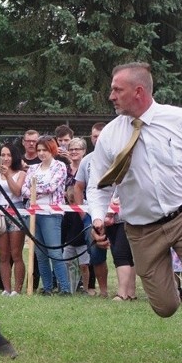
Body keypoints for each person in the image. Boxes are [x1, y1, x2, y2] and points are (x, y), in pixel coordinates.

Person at [87, 62, 182, 363]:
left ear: (138, 92)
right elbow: (97, 184)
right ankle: (169, 295)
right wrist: (98, 217)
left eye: (117, 90)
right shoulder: (111, 135)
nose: (111, 96)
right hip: (141, 231)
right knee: (165, 306)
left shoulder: (181, 120)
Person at [22, 135, 71, 295]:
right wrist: (32, 191)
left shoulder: (60, 166)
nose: (41, 153)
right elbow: (24, 189)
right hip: (34, 213)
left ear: (52, 150)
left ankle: (64, 288)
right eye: (39, 150)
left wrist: (34, 190)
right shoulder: (32, 168)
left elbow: (51, 187)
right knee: (40, 253)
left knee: (55, 252)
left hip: (52, 213)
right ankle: (48, 287)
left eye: (45, 150)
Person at [73, 123, 110, 297]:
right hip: (92, 213)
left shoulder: (116, 157)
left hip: (117, 213)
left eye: (101, 136)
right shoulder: (87, 160)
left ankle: (127, 290)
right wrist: (82, 213)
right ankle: (103, 291)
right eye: (95, 136)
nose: (98, 139)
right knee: (96, 253)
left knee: (122, 253)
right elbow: (78, 187)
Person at [0, 142, 26, 296]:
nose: (5, 158)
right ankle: (6, 288)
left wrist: (7, 175)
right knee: (3, 255)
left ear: (14, 157)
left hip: (16, 212)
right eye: (3, 155)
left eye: (8, 155)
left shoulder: (21, 173)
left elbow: (17, 192)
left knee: (16, 253)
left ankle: (17, 289)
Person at [61, 137, 89, 293]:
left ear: (84, 151)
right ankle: (69, 287)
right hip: (67, 213)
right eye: (71, 149)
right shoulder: (64, 168)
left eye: (77, 149)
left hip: (85, 210)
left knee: (86, 258)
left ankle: (87, 287)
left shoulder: (88, 167)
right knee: (67, 258)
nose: (73, 152)